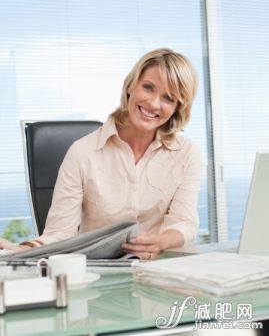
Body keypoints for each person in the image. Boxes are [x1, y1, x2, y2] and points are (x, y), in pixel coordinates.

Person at [0, 48, 202, 260]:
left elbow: (184, 222)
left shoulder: (186, 154)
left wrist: (159, 242)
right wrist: (19, 251)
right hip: (99, 274)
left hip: (159, 269)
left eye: (168, 98)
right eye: (148, 87)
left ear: (178, 107)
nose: (153, 103)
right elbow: (59, 234)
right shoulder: (82, 152)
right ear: (131, 85)